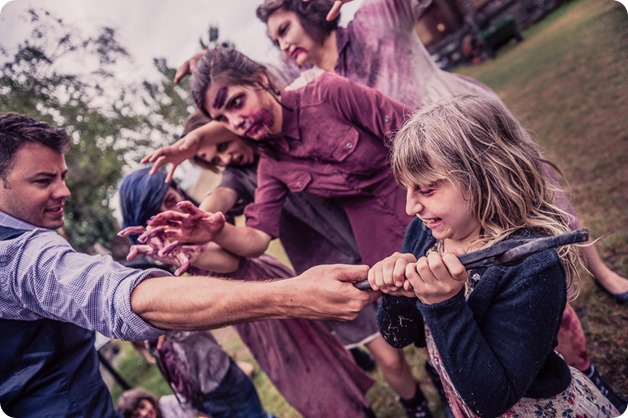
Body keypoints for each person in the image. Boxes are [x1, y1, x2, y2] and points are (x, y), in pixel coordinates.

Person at [170, 0, 627, 304]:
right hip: (406, 197)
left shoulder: (370, 24)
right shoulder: (298, 76)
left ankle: (594, 275)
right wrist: (201, 139)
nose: (284, 43)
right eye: (276, 39)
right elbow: (247, 87)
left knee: (534, 203)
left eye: (285, 28)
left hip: (458, 132)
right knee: (459, 292)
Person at [0, 111, 377, 417]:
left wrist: (207, 221)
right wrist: (293, 293)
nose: (64, 191)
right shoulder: (22, 256)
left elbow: (231, 220)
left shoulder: (189, 223)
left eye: (63, 177)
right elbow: (115, 294)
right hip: (256, 324)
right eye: (43, 180)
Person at [149, 45, 438, 417]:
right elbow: (248, 231)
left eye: (236, 104)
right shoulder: (264, 169)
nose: (235, 125)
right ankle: (427, 397)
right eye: (224, 116)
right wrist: (209, 227)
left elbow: (414, 131)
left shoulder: (324, 93)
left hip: (416, 219)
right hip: (361, 259)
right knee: (416, 338)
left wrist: (207, 68)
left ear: (261, 79)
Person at [368, 95, 620, 417]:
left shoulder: (531, 266)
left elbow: (491, 398)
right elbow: (400, 336)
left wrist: (443, 305)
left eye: (427, 189)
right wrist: (396, 295)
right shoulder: (425, 235)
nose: (410, 207)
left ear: (485, 176)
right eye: (407, 188)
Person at [118, 167, 376, 418]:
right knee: (307, 370)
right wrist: (182, 251)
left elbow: (239, 254)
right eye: (158, 211)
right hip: (260, 308)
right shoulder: (174, 249)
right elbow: (229, 264)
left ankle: (353, 406)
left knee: (316, 360)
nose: (170, 212)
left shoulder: (197, 222)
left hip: (269, 286)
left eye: (171, 199)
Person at [117, 387, 203, 418]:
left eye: (143, 406)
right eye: (136, 416)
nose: (144, 414)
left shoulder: (169, 403)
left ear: (148, 400)